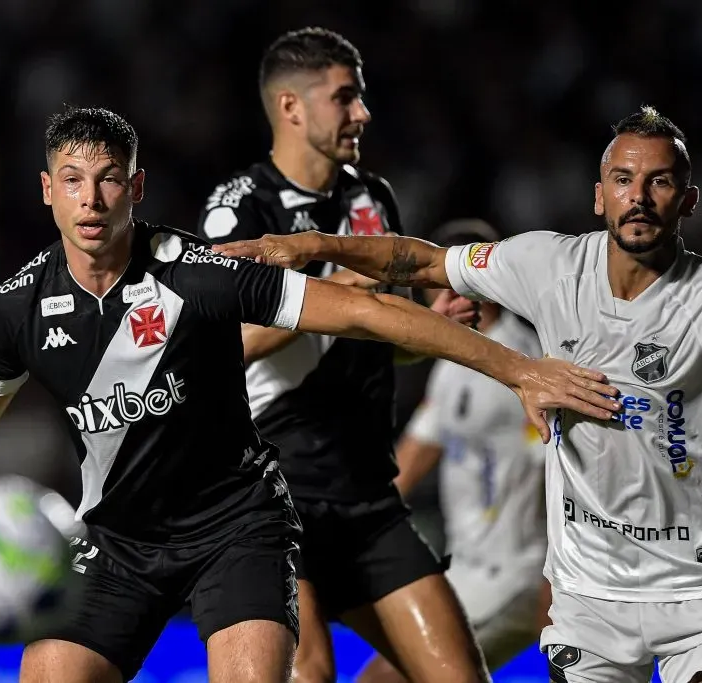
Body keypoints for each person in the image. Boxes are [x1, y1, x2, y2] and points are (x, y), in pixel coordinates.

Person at [0, 106, 621, 683]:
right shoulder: (16, 309)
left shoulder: (200, 274)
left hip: (236, 525)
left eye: (107, 179)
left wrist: (519, 369)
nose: (90, 199)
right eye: (72, 180)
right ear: (47, 189)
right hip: (118, 537)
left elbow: (365, 312)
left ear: (136, 188)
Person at [214, 106, 702, 683]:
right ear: (600, 196)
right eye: (624, 180)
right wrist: (311, 246)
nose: (640, 197)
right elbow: (423, 261)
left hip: (695, 588)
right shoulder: (548, 266)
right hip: (589, 597)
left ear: (689, 199)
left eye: (660, 182)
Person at [198, 27, 490, 683]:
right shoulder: (240, 209)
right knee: (311, 671)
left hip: (365, 495)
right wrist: (339, 291)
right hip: (270, 491)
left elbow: (368, 341)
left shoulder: (371, 199)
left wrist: (418, 325)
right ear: (291, 108)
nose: (362, 113)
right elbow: (221, 348)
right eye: (344, 98)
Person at [356, 219, 553, 682]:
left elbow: (559, 470)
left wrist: (556, 581)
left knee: (385, 680)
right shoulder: (452, 362)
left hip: (513, 575)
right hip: (464, 571)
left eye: (429, 276)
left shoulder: (520, 363)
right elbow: (413, 457)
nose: (423, 291)